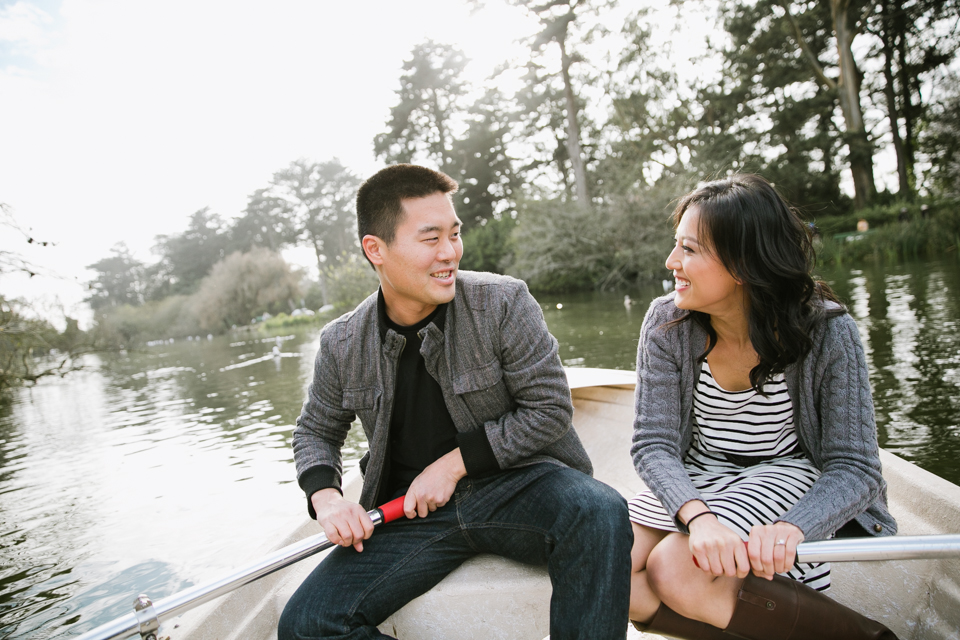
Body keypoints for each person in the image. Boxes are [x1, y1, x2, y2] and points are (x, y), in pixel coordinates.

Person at [278, 164, 632, 640]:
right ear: (375, 249)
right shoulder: (342, 342)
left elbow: (548, 409)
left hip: (520, 485)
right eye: (430, 239)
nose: (450, 253)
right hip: (408, 512)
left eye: (454, 234)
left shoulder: (505, 302)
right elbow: (315, 431)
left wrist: (452, 465)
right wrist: (327, 498)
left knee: (599, 511)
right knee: (306, 625)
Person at [627, 174, 899, 640]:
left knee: (675, 566)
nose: (672, 262)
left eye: (689, 250)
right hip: (700, 473)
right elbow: (653, 444)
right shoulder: (666, 322)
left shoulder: (828, 330)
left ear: (742, 265)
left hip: (792, 471)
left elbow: (856, 467)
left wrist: (796, 527)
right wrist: (700, 517)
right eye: (677, 246)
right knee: (603, 558)